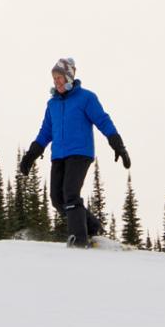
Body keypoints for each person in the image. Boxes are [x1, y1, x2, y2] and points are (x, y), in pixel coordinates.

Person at [18, 57, 129, 248]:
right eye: (54, 78)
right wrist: (31, 156)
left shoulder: (86, 98)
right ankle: (91, 226)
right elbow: (45, 132)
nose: (56, 81)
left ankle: (79, 238)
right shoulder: (52, 104)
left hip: (80, 153)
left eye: (60, 77)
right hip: (58, 156)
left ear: (69, 77)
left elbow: (103, 120)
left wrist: (118, 144)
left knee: (70, 193)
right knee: (56, 198)